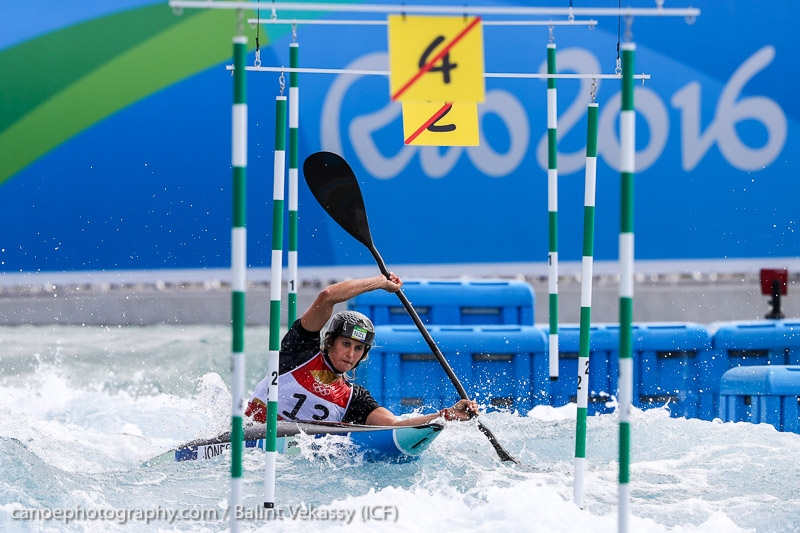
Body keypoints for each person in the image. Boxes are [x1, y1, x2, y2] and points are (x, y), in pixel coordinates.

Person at [245, 273, 478, 426]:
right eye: (345, 344)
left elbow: (395, 425)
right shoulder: (298, 352)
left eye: (358, 348)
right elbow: (327, 297)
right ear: (329, 343)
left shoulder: (353, 398)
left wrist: (446, 415)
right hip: (250, 439)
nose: (350, 354)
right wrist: (379, 282)